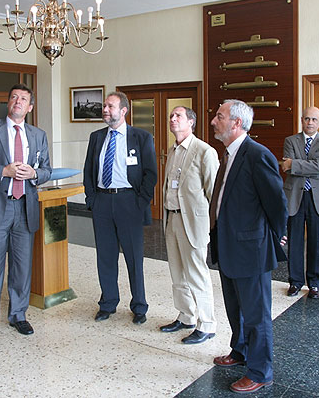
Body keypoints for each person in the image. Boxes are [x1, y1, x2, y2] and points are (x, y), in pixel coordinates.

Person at [209, 100, 287, 394]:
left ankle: (260, 371)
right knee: (235, 308)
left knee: (256, 315)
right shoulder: (228, 155)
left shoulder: (257, 155)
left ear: (236, 123)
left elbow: (277, 204)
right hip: (228, 246)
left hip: (250, 249)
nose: (214, 121)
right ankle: (240, 350)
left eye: (220, 116)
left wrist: (276, 236)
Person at [0, 83, 52, 343]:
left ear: (30, 107)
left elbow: (47, 169)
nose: (18, 101)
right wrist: (3, 171)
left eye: (23, 99)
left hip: (24, 207)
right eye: (14, 97)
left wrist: (35, 174)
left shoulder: (38, 135)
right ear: (8, 102)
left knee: (21, 267)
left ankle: (18, 314)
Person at [83, 91, 157, 325]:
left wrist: (140, 202)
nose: (105, 110)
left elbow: (150, 174)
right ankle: (107, 303)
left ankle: (139, 306)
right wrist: (92, 199)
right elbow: (88, 171)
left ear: (124, 111)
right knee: (105, 256)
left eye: (110, 106)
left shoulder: (141, 137)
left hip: (129, 202)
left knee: (134, 258)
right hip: (102, 202)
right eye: (104, 106)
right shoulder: (96, 137)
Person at [160, 106, 218, 344]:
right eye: (171, 116)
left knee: (196, 273)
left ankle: (208, 324)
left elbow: (213, 193)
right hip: (172, 218)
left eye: (178, 116)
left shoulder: (204, 151)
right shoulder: (173, 151)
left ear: (191, 122)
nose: (173, 119)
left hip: (193, 222)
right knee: (177, 273)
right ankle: (186, 316)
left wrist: (214, 227)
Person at [281, 107, 319, 299]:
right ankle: (295, 282)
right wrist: (313, 168)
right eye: (306, 119)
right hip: (295, 196)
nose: (310, 122)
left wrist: (296, 164)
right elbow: (286, 167)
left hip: (317, 197)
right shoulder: (290, 140)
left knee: (316, 242)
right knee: (294, 241)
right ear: (301, 120)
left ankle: (314, 284)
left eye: (314, 119)